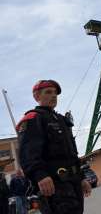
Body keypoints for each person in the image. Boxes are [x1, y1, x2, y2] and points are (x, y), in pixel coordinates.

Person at [16, 80, 91, 214]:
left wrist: (82, 177)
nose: (54, 95)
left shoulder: (61, 120)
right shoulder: (33, 118)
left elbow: (72, 154)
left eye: (55, 93)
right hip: (53, 185)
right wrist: (40, 175)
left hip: (73, 182)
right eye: (48, 92)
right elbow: (28, 152)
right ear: (37, 97)